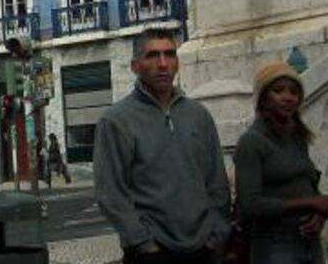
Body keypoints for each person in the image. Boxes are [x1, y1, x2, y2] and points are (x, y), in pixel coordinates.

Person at [93, 28, 231, 263]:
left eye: (169, 54)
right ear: (135, 66)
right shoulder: (116, 120)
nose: (163, 63)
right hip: (151, 252)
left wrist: (216, 234)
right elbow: (111, 192)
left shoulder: (198, 115)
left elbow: (216, 181)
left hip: (202, 249)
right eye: (152, 55)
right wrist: (142, 243)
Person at [234, 62, 328, 263]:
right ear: (263, 98)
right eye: (278, 91)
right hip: (274, 244)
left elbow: (308, 183)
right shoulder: (251, 142)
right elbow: (250, 204)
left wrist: (318, 213)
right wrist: (309, 202)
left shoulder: (298, 136)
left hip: (307, 241)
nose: (288, 98)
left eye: (294, 92)